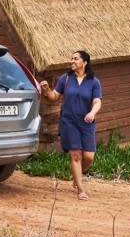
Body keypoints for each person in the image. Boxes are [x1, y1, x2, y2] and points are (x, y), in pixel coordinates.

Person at [38, 50, 102, 200]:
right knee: (76, 154)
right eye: (72, 59)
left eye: (76, 59)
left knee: (88, 157)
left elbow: (97, 101)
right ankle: (80, 189)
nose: (72, 61)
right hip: (69, 122)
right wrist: (47, 90)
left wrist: (92, 113)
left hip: (86, 122)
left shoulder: (94, 81)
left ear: (84, 62)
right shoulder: (65, 78)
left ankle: (76, 175)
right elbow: (54, 97)